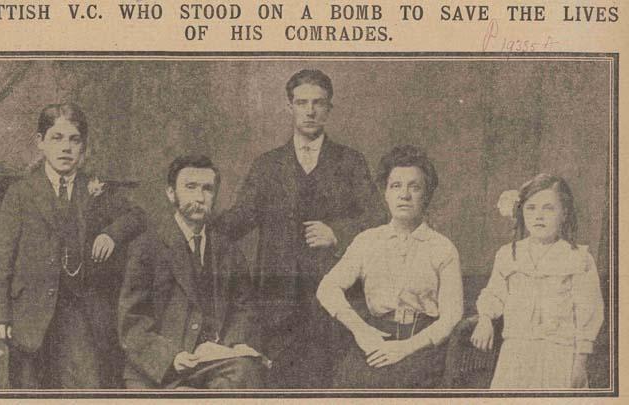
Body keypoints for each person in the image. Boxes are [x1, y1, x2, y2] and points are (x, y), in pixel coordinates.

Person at [215, 69, 386, 388]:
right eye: (302, 102)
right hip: (277, 301)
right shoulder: (268, 165)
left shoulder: (350, 162)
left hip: (333, 300)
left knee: (329, 381)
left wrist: (338, 232)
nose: (310, 111)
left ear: (329, 109)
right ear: (289, 107)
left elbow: (379, 218)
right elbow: (240, 217)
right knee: (280, 383)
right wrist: (194, 224)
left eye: (318, 103)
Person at [0, 103, 147, 388]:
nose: (66, 147)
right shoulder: (21, 193)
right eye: (57, 138)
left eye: (74, 139)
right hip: (30, 313)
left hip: (79, 311)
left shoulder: (93, 188)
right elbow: (0, 258)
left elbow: (138, 216)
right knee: (30, 386)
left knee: (85, 383)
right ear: (40, 143)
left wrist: (111, 234)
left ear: (83, 147)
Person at [316, 145, 464, 388]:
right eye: (396, 186)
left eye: (414, 187)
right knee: (348, 382)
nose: (404, 195)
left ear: (426, 195)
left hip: (422, 344)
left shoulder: (442, 248)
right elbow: (327, 288)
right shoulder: (367, 241)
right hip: (376, 336)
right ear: (385, 193)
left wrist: (405, 349)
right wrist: (360, 330)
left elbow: (451, 317)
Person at [118, 155, 266, 389]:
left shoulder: (228, 250)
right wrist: (171, 358)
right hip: (160, 370)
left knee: (248, 372)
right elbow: (132, 321)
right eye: (190, 187)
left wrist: (231, 345)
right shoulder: (147, 247)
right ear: (170, 193)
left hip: (213, 364)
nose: (199, 198)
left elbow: (244, 309)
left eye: (207, 189)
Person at [471, 174, 604, 388]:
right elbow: (494, 294)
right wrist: (485, 319)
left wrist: (580, 362)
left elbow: (588, 312)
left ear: (565, 213)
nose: (538, 216)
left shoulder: (578, 258)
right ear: (522, 212)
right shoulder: (509, 254)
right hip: (515, 355)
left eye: (548, 208)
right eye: (531, 208)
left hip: (559, 355)